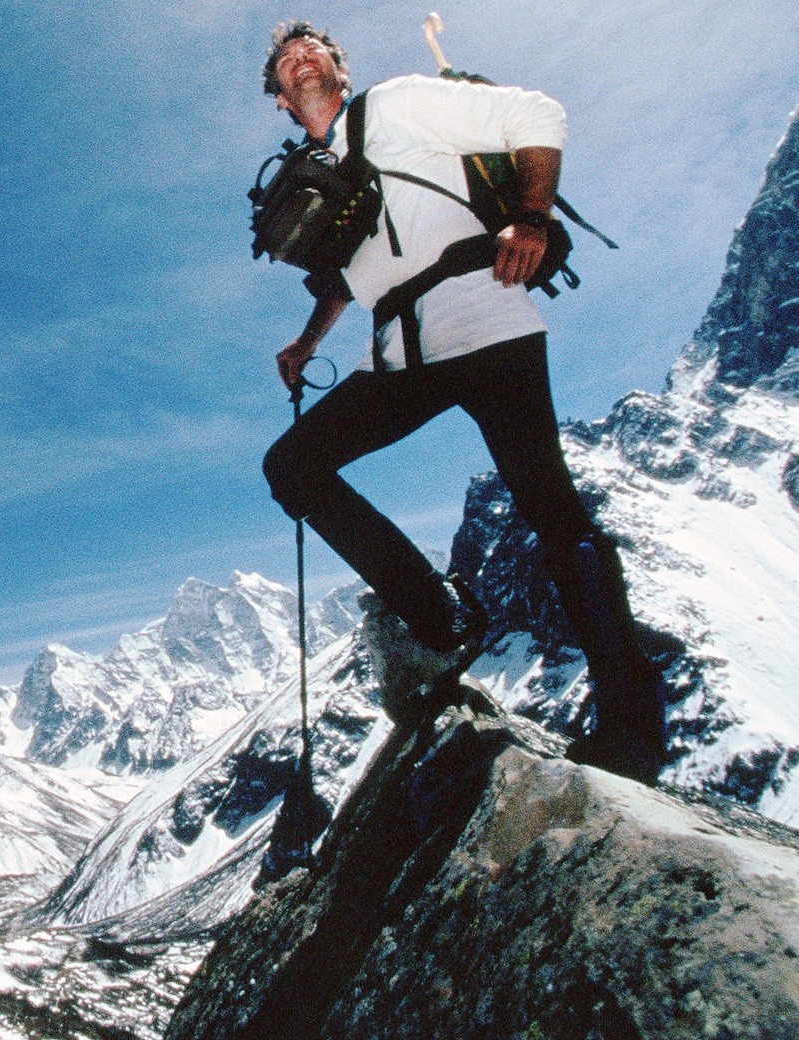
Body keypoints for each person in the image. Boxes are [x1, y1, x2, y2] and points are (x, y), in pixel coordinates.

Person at [256, 21, 667, 783]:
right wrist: (308, 341)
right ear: (282, 100)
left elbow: (538, 115)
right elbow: (361, 267)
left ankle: (632, 717)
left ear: (339, 74)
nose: (301, 57)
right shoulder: (324, 174)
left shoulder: (400, 104)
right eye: (286, 61)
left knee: (551, 510)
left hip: (487, 322)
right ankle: (439, 617)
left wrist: (532, 216)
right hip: (404, 354)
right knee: (293, 466)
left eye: (314, 50)